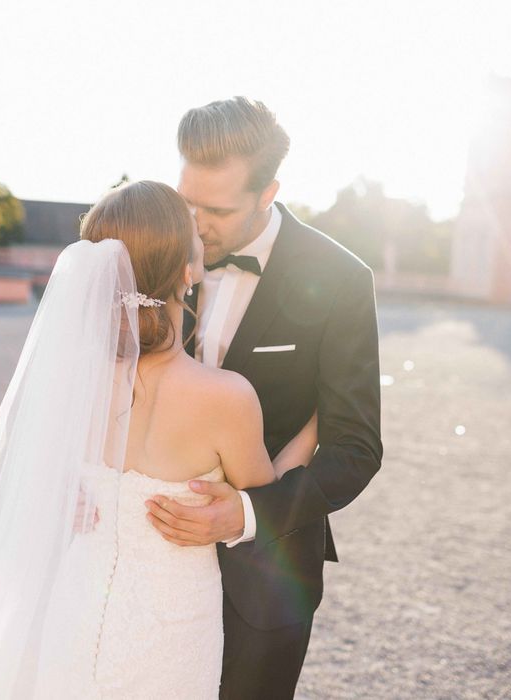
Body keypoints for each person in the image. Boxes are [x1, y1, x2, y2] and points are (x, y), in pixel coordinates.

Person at [0, 181, 319, 699]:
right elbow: (265, 506)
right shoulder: (226, 398)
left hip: (72, 615)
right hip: (171, 637)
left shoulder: (69, 384)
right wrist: (315, 429)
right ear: (188, 272)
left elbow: (18, 487)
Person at [145, 97, 383, 699]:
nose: (194, 224)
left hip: (266, 572)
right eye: (186, 200)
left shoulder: (341, 279)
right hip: (147, 553)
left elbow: (355, 447)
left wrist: (249, 512)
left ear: (268, 191)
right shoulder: (154, 250)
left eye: (217, 209)